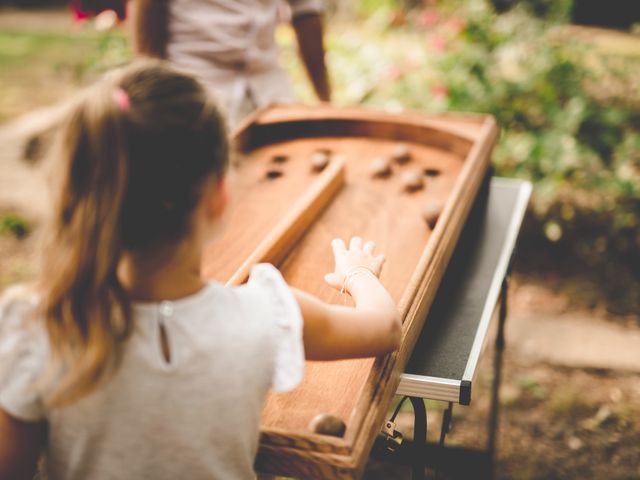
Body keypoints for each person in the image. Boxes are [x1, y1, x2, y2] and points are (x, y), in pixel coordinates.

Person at [0, 60, 399, 480]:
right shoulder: (267, 314)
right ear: (218, 195)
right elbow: (385, 327)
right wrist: (357, 274)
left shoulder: (37, 328)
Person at [130, 0, 331, 127]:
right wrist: (154, 101)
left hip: (269, 88)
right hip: (196, 87)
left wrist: (326, 103)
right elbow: (147, 11)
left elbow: (306, 12)